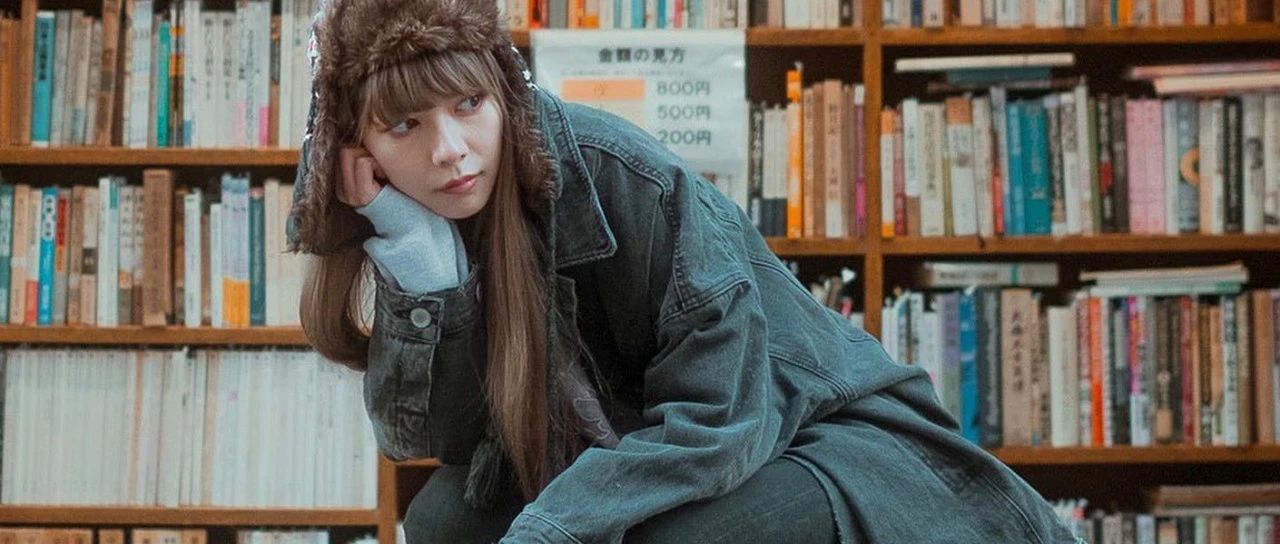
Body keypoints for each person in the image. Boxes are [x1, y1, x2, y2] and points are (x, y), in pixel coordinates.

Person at [286, 0, 1081, 542]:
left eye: (467, 105)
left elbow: (719, 421)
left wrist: (556, 527)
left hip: (810, 439)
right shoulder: (426, 219)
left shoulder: (619, 172)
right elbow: (428, 440)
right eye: (405, 125)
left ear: (503, 94)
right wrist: (425, 269)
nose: (450, 151)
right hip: (630, 443)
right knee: (439, 525)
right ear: (360, 151)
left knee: (661, 538)